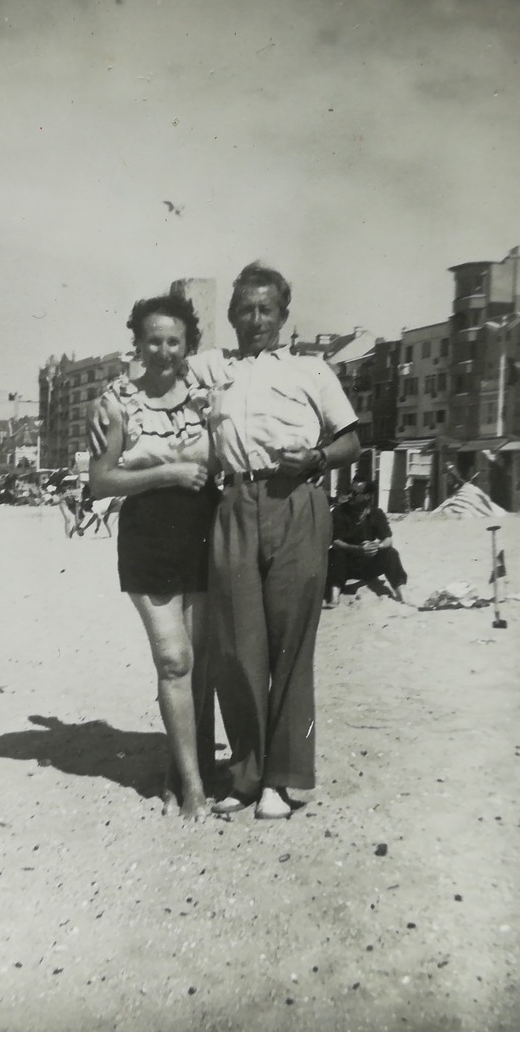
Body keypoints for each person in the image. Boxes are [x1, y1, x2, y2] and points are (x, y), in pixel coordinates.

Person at [190, 264, 361, 820]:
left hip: (297, 502)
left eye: (267, 309)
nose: (255, 320)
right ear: (232, 315)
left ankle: (279, 783)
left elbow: (351, 441)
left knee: (291, 644)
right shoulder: (213, 373)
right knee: (237, 647)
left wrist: (315, 458)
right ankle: (245, 774)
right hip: (234, 503)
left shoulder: (312, 370)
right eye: (245, 309)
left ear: (284, 316)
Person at [88, 289, 218, 820]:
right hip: (149, 535)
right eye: (154, 340)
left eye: (174, 341)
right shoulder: (116, 402)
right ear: (137, 343)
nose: (164, 351)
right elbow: (99, 482)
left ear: (188, 344)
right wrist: (167, 472)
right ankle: (192, 787)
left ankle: (178, 768)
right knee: (174, 659)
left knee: (197, 662)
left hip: (205, 529)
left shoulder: (208, 390)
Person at [324, 479, 408, 606]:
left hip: (368, 564)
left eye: (354, 493)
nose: (349, 496)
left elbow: (388, 539)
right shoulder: (339, 512)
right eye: (349, 492)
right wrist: (358, 549)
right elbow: (335, 542)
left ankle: (401, 593)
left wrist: (377, 546)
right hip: (346, 564)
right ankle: (334, 596)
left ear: (367, 496)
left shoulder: (376, 513)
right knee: (335, 554)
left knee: (391, 553)